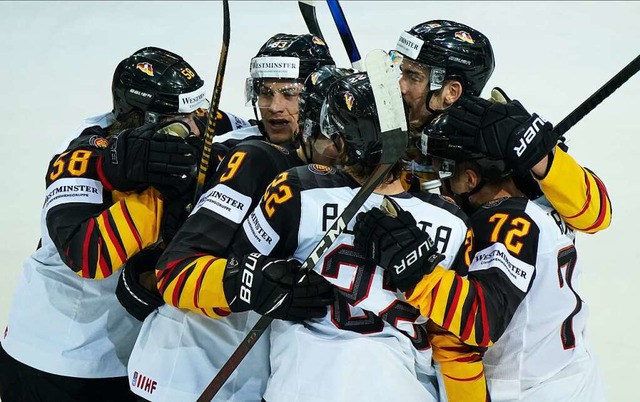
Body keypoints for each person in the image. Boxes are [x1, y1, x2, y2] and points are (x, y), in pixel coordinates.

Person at [0, 47, 241, 402]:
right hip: (53, 358)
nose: (195, 124)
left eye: (197, 111)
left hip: (125, 358)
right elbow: (87, 255)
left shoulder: (194, 122)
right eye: (181, 117)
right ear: (140, 116)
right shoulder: (81, 154)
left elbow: (258, 130)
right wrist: (159, 201)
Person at [225, 71, 479, 402]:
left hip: (302, 386)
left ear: (342, 144)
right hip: (402, 389)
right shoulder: (454, 222)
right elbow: (455, 337)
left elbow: (236, 269)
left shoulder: (298, 188)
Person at [352, 99, 606, 401]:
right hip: (572, 376)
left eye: (444, 170)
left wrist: (418, 272)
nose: (435, 181)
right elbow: (598, 212)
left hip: (525, 391)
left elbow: (478, 320)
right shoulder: (545, 196)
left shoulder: (504, 223)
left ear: (471, 179)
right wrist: (544, 154)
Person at [124, 66, 347, 401]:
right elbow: (175, 272)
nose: (347, 153)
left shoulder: (343, 178)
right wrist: (249, 283)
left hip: (250, 379)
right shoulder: (256, 160)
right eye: (334, 136)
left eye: (289, 94)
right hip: (183, 371)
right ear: (311, 125)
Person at [391, 20, 611, 233]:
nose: (400, 86)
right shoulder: (388, 125)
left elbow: (597, 217)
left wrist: (539, 154)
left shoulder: (495, 145)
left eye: (413, 77)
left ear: (451, 92)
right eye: (402, 72)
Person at [207, 32, 335, 165]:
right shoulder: (228, 148)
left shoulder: (344, 151)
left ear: (318, 99)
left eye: (289, 94)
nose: (274, 107)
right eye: (266, 93)